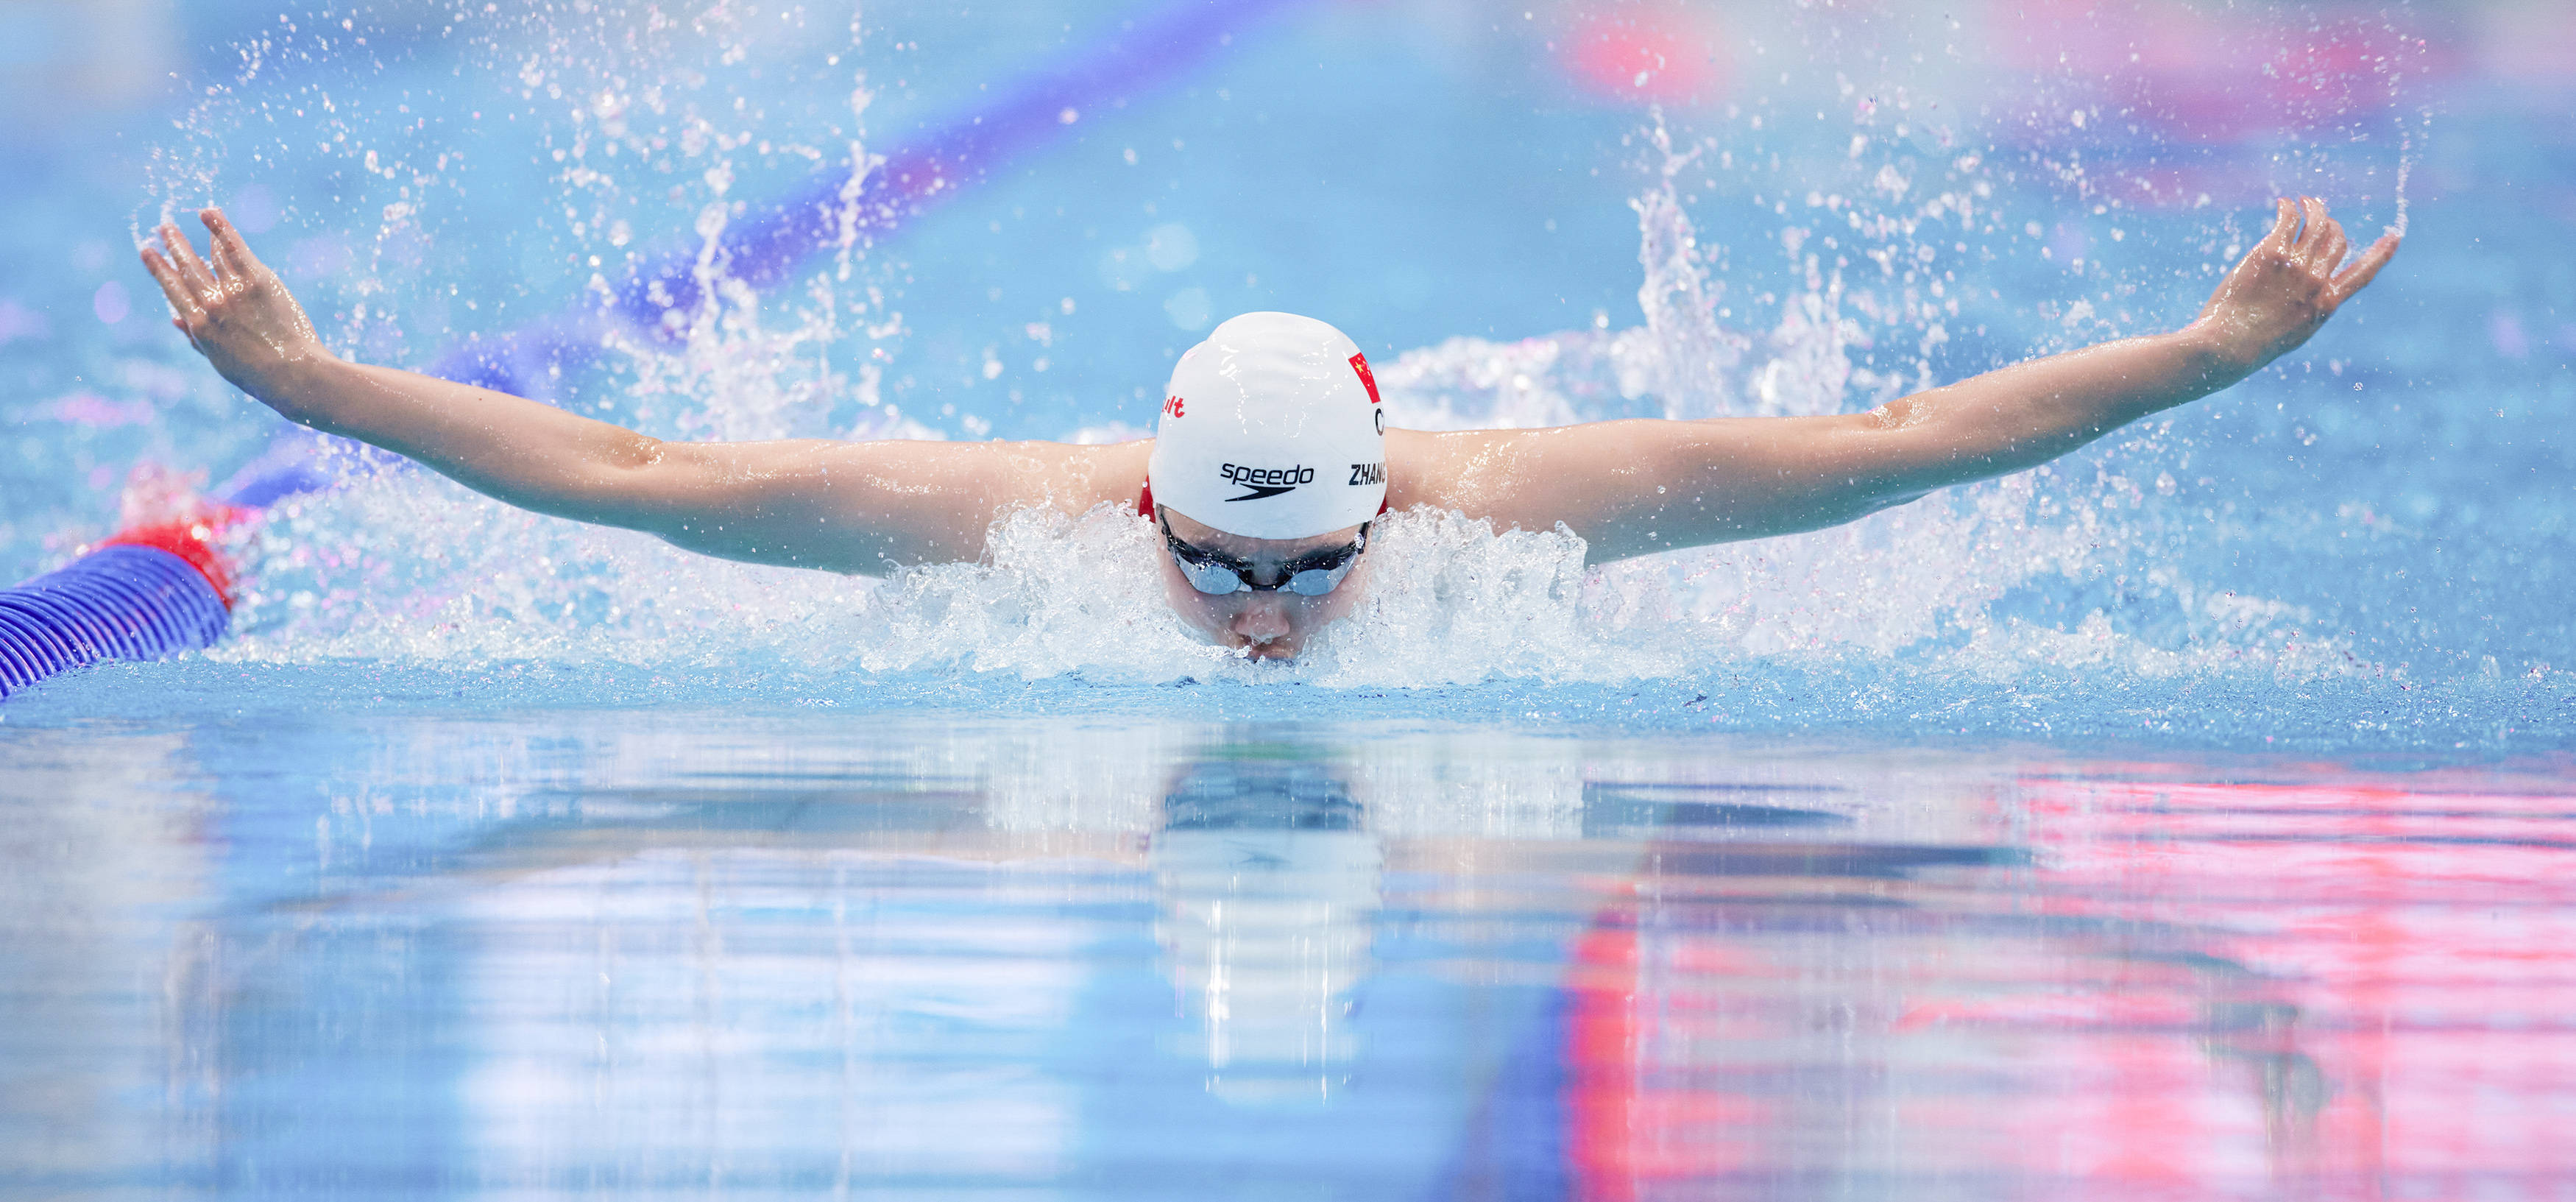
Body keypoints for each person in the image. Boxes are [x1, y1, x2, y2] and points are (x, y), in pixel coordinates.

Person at [140, 198, 2396, 660]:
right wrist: (316, 391)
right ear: (1140, 493)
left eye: (1302, 566)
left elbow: (1896, 439)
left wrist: (2196, 359)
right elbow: (644, 479)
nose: (1253, 613)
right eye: (1210, 560)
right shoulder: (1004, 527)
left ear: (1373, 501)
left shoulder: (1509, 515)